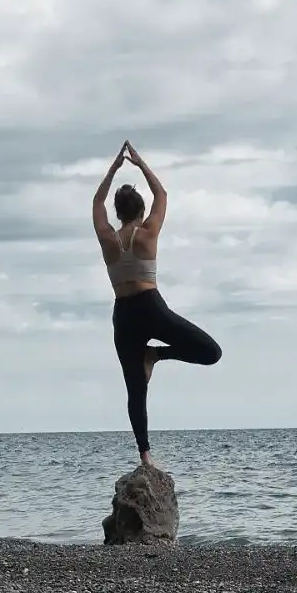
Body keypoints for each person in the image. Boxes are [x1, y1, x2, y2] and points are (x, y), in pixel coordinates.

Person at [92, 140, 221, 468]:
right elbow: (161, 195)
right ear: (139, 211)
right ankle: (157, 354)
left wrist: (113, 170)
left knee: (136, 389)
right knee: (210, 352)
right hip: (150, 307)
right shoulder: (148, 232)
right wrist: (139, 163)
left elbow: (96, 201)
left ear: (118, 213)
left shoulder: (108, 239)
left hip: (123, 315)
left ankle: (145, 457)